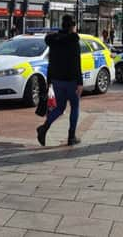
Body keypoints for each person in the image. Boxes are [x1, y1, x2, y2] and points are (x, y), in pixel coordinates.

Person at [36, 15, 83, 147]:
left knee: (59, 108)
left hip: (57, 80)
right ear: (72, 26)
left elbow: (51, 62)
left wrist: (49, 80)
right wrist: (80, 83)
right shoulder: (74, 41)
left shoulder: (54, 41)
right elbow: (76, 63)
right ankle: (71, 136)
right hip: (71, 80)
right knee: (75, 107)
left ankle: (44, 127)